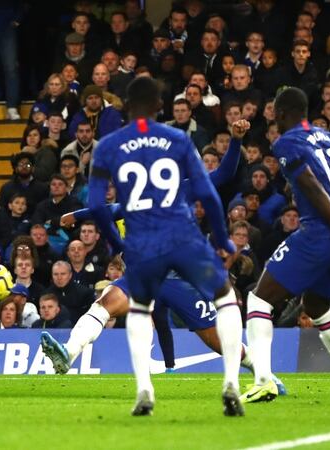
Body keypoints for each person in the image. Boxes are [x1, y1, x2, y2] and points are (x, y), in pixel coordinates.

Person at [80, 77, 242, 416]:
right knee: (225, 297)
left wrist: (118, 242)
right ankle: (231, 382)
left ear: (125, 104)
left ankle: (144, 388)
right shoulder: (178, 139)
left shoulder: (108, 146)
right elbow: (210, 193)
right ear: (159, 106)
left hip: (143, 246)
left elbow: (98, 206)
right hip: (184, 239)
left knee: (141, 310)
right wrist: (223, 237)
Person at [243, 87, 330, 404]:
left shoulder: (286, 142)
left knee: (259, 301)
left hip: (318, 233)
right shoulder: (329, 138)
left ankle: (263, 381)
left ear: (283, 112)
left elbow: (310, 185)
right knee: (316, 306)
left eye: (274, 112)